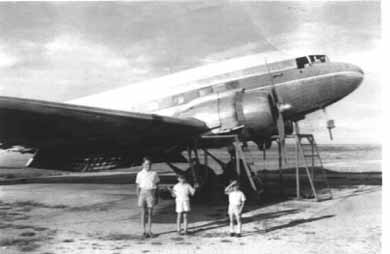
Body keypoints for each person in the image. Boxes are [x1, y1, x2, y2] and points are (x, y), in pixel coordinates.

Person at [135, 156, 160, 238]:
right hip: (142, 193)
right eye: (146, 164)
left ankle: (149, 231)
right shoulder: (139, 174)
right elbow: (138, 186)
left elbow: (157, 185)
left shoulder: (154, 173)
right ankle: (143, 231)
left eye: (149, 164)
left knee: (150, 213)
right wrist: (138, 196)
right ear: (142, 164)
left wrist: (157, 197)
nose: (147, 166)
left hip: (151, 193)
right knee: (142, 213)